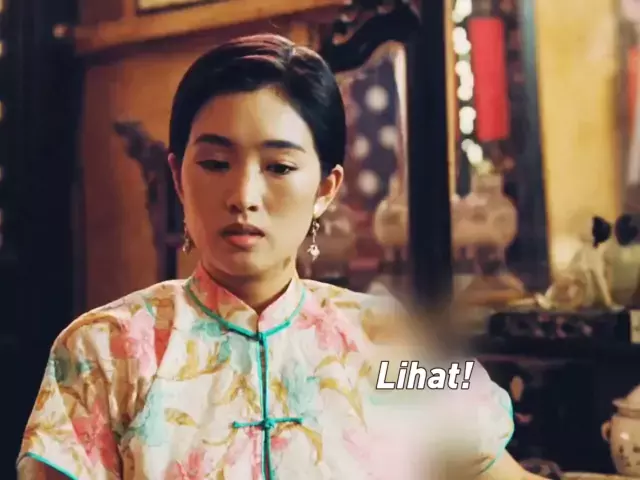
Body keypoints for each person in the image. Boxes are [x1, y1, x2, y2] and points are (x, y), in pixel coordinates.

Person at [17, 34, 545, 480]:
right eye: (216, 163)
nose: (244, 195)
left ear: (326, 188)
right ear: (178, 176)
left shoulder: (393, 343)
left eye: (280, 167)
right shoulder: (105, 351)